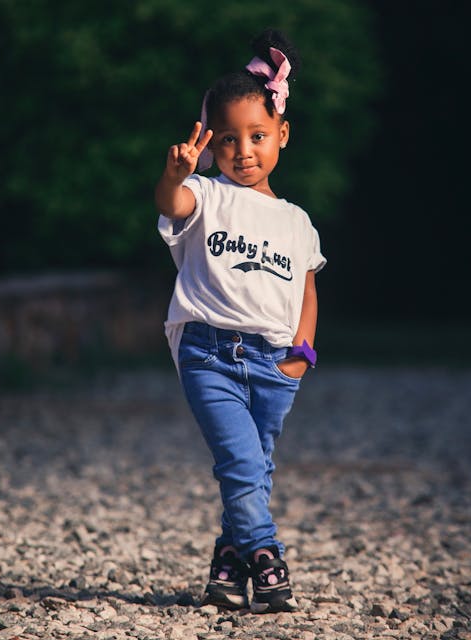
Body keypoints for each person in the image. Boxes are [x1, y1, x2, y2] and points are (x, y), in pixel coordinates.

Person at [155, 28, 326, 613]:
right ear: (211, 147)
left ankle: (228, 568)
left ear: (281, 133)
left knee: (254, 468)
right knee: (240, 462)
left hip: (276, 363)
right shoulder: (206, 194)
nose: (243, 151)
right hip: (209, 354)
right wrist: (177, 176)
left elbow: (307, 291)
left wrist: (300, 355)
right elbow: (171, 206)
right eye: (227, 140)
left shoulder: (298, 222)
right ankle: (266, 556)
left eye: (256, 136)